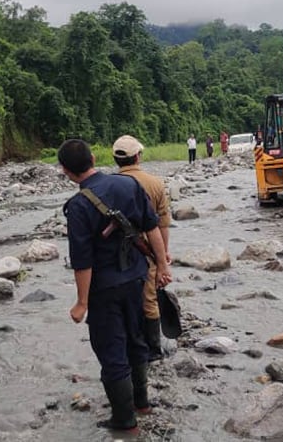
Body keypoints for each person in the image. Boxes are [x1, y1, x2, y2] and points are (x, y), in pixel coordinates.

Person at [59, 139, 172, 434]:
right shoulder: (128, 186)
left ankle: (124, 421)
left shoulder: (79, 206)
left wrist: (81, 303)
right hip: (136, 278)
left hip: (104, 290)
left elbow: (82, 261)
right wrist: (162, 265)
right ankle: (142, 403)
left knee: (112, 352)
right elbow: (152, 227)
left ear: (66, 171)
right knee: (136, 341)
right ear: (94, 158)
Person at [111, 135, 171, 361]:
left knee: (124, 300)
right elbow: (162, 224)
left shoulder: (110, 186)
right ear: (138, 156)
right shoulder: (155, 183)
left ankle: (129, 346)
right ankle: (154, 350)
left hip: (118, 254)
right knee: (150, 298)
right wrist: (163, 256)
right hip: (147, 249)